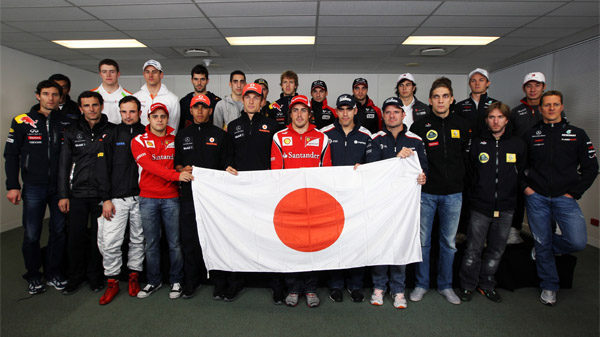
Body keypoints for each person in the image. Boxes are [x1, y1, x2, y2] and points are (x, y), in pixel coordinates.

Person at [523, 90, 598, 306]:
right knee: (542, 240)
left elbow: (591, 168)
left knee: (577, 241)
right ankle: (549, 286)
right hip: (536, 197)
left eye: (555, 104)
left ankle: (544, 246)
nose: (551, 108)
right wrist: (527, 189)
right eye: (547, 105)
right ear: (541, 108)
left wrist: (574, 192)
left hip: (565, 198)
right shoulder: (531, 134)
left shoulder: (578, 134)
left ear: (562, 107)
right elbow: (519, 167)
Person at [4, 80, 73, 295]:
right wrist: (13, 185)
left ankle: (53, 272)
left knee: (59, 231)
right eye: (46, 94)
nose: (50, 98)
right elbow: (11, 155)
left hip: (60, 187)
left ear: (61, 97)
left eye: (55, 94)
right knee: (32, 233)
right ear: (38, 96)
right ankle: (34, 275)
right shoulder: (22, 121)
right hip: (33, 186)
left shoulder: (68, 121)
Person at [409, 77, 470, 305]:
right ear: (430, 100)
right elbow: (413, 160)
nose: (441, 100)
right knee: (423, 242)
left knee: (449, 243)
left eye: (445, 96)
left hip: (454, 194)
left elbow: (468, 159)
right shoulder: (419, 126)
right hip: (426, 193)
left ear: (451, 99)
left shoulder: (463, 125)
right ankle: (421, 284)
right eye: (436, 97)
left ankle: (446, 285)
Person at [458, 102, 526, 303]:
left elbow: (522, 174)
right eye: (491, 117)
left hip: (506, 207)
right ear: (486, 120)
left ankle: (487, 284)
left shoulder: (517, 144)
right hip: (480, 207)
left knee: (496, 250)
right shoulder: (477, 143)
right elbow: (469, 174)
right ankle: (467, 285)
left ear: (506, 119)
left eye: (499, 117)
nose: (495, 121)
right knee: (473, 249)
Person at [366, 97, 428, 309]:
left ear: (403, 115)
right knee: (381, 245)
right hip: (380, 203)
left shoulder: (416, 140)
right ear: (383, 116)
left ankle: (399, 290)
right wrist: (396, 158)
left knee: (401, 245)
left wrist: (422, 177)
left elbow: (423, 170)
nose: (392, 115)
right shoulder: (375, 139)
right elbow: (372, 170)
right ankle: (379, 288)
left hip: (404, 206)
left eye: (396, 112)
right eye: (388, 112)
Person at [271, 95, 332, 307]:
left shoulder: (323, 138)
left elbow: (327, 174)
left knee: (313, 247)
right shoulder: (279, 137)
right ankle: (293, 287)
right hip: (289, 204)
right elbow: (275, 174)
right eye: (295, 110)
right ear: (290, 114)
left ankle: (311, 288)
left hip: (314, 204)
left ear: (309, 113)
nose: (299, 114)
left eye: (303, 110)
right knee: (291, 247)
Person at [174, 94, 233, 300]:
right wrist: (183, 169)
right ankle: (191, 282)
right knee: (189, 241)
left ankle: (219, 283)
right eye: (196, 107)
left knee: (217, 240)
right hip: (189, 196)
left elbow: (226, 164)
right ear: (190, 110)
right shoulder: (181, 135)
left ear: (210, 111)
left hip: (214, 200)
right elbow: (177, 164)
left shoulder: (220, 135)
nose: (200, 111)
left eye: (204, 107)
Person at [131, 103, 192, 299]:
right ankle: (153, 281)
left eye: (163, 116)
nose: (159, 120)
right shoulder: (139, 140)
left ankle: (176, 280)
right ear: (148, 118)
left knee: (175, 243)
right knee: (152, 243)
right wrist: (177, 175)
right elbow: (149, 166)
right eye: (155, 116)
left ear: (167, 119)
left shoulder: (176, 140)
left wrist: (186, 169)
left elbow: (182, 162)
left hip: (172, 198)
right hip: (148, 198)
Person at [58, 91, 115, 295]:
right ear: (80, 108)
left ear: (101, 106)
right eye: (86, 106)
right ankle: (74, 277)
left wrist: (109, 195)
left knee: (98, 240)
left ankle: (95, 277)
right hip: (78, 194)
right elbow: (64, 165)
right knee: (75, 237)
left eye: (95, 105)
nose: (91, 109)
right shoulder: (71, 131)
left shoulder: (112, 130)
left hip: (103, 195)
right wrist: (63, 194)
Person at [226, 83, 280, 302]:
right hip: (240, 191)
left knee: (270, 236)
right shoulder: (232, 126)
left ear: (261, 101)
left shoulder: (272, 125)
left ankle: (276, 283)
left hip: (266, 190)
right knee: (239, 236)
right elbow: (227, 155)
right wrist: (227, 166)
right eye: (247, 97)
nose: (250, 101)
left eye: (255, 97)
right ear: (242, 99)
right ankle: (236, 281)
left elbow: (278, 156)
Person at [320, 94, 372, 303]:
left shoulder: (367, 134)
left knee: (356, 241)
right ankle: (335, 284)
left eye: (348, 109)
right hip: (331, 198)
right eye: (341, 109)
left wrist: (365, 168)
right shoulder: (325, 133)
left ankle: (356, 284)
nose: (344, 113)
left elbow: (374, 164)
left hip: (357, 199)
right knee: (335, 241)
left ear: (355, 111)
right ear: (336, 111)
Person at [96, 96, 146, 305]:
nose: (128, 116)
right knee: (110, 242)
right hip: (116, 199)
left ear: (139, 112)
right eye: (124, 111)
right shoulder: (110, 134)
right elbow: (101, 168)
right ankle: (112, 282)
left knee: (138, 240)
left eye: (132, 111)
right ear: (119, 111)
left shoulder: (147, 132)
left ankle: (134, 276)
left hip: (143, 198)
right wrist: (105, 199)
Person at [509, 72, 548, 244]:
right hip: (520, 164)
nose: (533, 90)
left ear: (543, 87)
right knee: (518, 199)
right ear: (524, 88)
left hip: (543, 165)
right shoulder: (516, 112)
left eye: (537, 85)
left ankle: (545, 237)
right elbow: (509, 138)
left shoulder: (549, 109)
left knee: (543, 203)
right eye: (529, 86)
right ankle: (514, 230)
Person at [133, 59, 180, 132]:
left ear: (161, 75)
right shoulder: (136, 97)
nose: (150, 75)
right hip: (141, 141)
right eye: (147, 72)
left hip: (163, 142)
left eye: (154, 72)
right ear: (144, 75)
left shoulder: (172, 99)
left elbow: (173, 128)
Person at [455, 68, 498, 136]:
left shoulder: (496, 104)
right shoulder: (459, 106)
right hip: (466, 144)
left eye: (481, 80)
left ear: (487, 83)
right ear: (469, 84)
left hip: (489, 143)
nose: (477, 83)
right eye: (473, 80)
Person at [179, 64, 221, 130]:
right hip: (189, 138)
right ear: (192, 80)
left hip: (211, 138)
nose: (199, 83)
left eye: (202, 79)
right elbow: (180, 126)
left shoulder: (216, 102)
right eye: (196, 79)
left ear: (207, 81)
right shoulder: (184, 102)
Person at [92, 58, 133, 124]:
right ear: (100, 74)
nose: (108, 75)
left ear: (118, 74)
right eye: (104, 72)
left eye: (112, 72)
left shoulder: (129, 96)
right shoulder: (91, 95)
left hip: (121, 132)